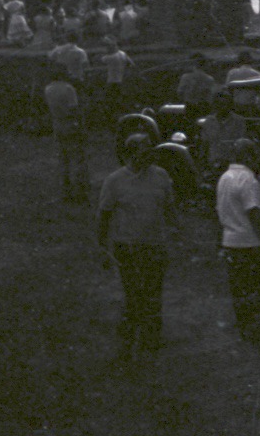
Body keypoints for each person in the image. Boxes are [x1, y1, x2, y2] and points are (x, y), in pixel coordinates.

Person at [96, 133, 179, 360]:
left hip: (155, 245)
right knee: (133, 295)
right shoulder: (114, 181)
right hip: (127, 247)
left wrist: (175, 231)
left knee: (153, 293)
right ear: (130, 154)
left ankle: (151, 341)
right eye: (144, 151)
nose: (150, 155)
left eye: (151, 150)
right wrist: (103, 248)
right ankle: (127, 341)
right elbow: (104, 216)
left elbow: (169, 208)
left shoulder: (161, 176)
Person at [216, 138, 260, 344]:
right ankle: (256, 332)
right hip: (250, 242)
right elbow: (253, 213)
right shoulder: (247, 180)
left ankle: (246, 330)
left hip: (231, 240)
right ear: (248, 156)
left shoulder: (225, 177)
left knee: (239, 289)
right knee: (256, 288)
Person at [44, 71, 90, 202]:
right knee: (78, 156)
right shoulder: (68, 88)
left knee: (63, 157)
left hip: (57, 123)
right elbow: (74, 109)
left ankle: (66, 188)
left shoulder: (48, 89)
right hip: (70, 123)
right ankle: (81, 189)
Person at [197, 93, 248, 177]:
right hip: (213, 164)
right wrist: (203, 168)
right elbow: (204, 144)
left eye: (225, 104)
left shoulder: (239, 121)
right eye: (219, 104)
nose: (222, 107)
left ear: (230, 105)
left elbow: (242, 144)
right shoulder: (209, 121)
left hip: (232, 165)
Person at [100, 35, 134, 113]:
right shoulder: (123, 54)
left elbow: (99, 60)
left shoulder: (108, 58)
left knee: (111, 102)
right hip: (122, 81)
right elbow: (131, 64)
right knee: (121, 100)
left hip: (112, 82)